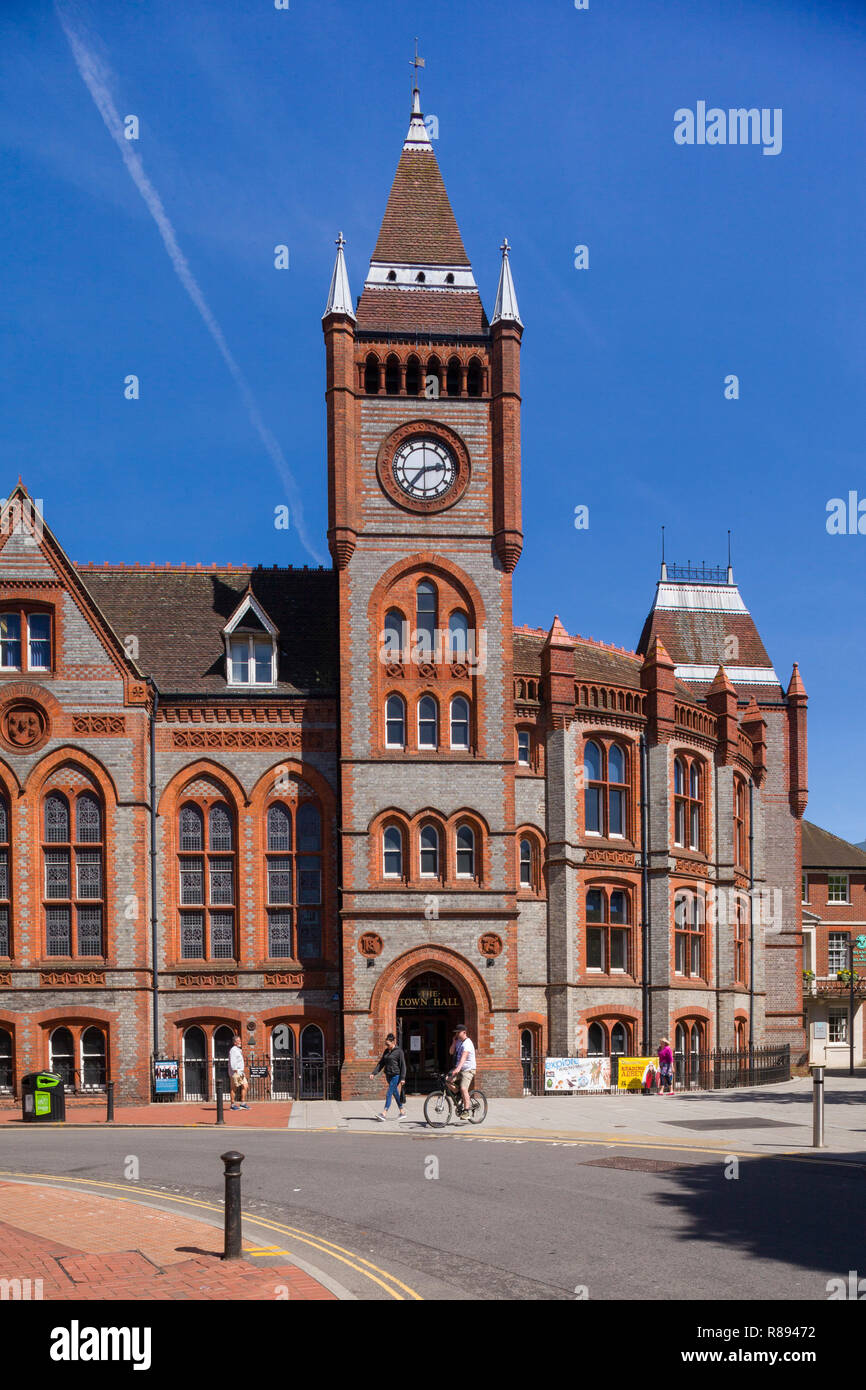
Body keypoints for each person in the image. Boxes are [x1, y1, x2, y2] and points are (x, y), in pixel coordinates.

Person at [370, 1033, 406, 1120]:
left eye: (388, 1044)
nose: (387, 1046)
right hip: (388, 1075)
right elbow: (381, 1063)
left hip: (396, 1076)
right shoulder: (386, 1051)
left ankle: (384, 1113)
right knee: (395, 1093)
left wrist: (402, 1078)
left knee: (389, 1093)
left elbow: (403, 1065)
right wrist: (374, 1073)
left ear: (393, 1042)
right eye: (386, 1044)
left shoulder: (399, 1052)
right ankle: (402, 1112)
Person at [448, 1024, 476, 1117]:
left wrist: (457, 1069)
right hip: (459, 1069)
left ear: (464, 1032)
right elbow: (451, 1052)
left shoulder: (468, 1043)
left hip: (468, 1070)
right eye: (456, 1032)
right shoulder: (459, 1041)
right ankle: (459, 1095)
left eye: (458, 1032)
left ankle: (466, 1111)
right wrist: (454, 1042)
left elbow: (463, 1058)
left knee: (464, 1088)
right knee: (447, 1080)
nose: (457, 1034)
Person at [229, 1032, 249, 1111]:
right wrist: (235, 1070)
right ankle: (232, 1104)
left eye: (240, 1041)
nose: (240, 1042)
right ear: (235, 1042)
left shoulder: (238, 1050)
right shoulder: (233, 1050)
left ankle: (243, 1103)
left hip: (240, 1072)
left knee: (245, 1086)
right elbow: (233, 1061)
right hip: (236, 1072)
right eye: (239, 1041)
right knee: (234, 1088)